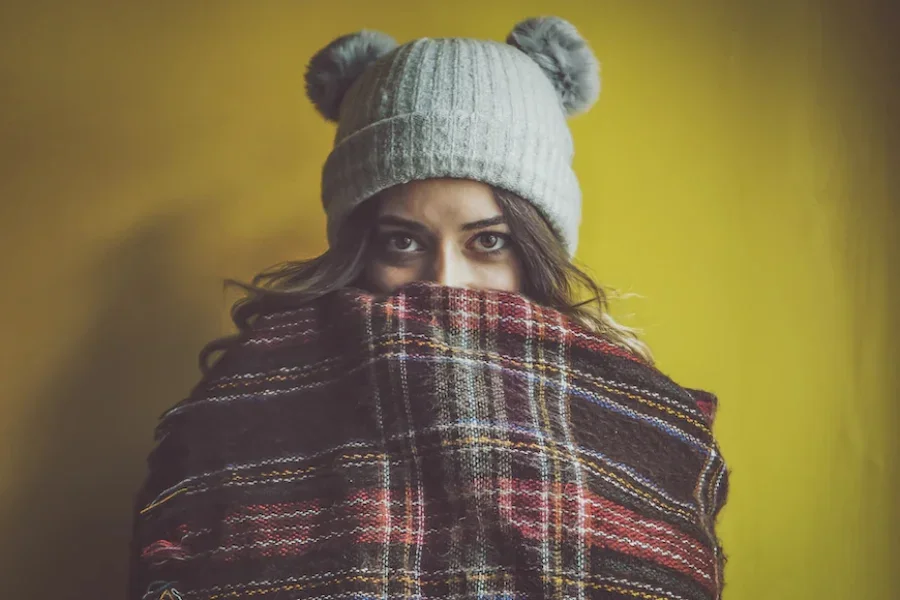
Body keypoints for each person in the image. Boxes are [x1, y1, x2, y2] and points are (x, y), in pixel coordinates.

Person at [129, 16, 729, 600]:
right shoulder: (247, 406)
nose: (446, 282)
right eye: (404, 242)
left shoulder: (638, 423)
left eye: (488, 241)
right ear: (360, 247)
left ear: (537, 249)